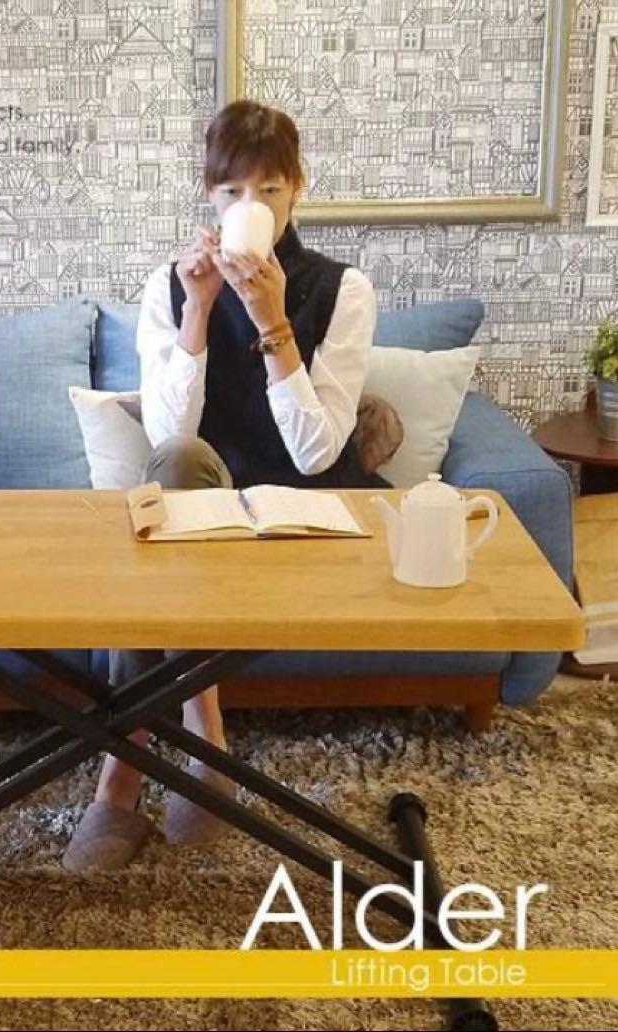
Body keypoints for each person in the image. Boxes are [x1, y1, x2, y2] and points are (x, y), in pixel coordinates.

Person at [62, 100, 390, 873]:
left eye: (269, 190)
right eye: (233, 192)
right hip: (196, 512)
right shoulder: (172, 286)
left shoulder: (343, 290)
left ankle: (125, 768)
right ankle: (198, 732)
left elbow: (315, 456)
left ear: (298, 188)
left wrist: (272, 319)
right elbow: (169, 434)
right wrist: (201, 311)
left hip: (294, 515)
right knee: (177, 467)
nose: (253, 206)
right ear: (210, 197)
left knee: (159, 531)